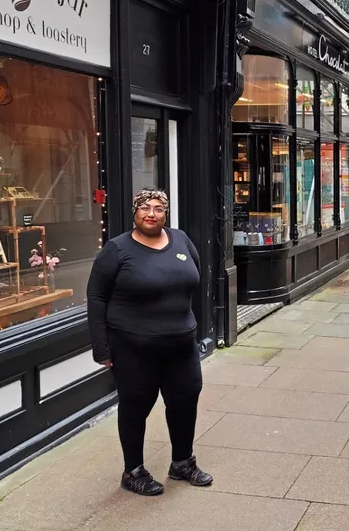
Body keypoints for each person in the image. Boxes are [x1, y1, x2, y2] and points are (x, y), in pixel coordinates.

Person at [87, 188, 212, 496]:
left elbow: (195, 280)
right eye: (145, 208)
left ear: (165, 213)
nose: (151, 214)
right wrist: (101, 348)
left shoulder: (181, 240)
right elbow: (97, 298)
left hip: (181, 347)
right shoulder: (116, 250)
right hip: (133, 348)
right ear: (135, 213)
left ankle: (182, 463)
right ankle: (133, 472)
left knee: (185, 401)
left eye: (158, 208)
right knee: (136, 406)